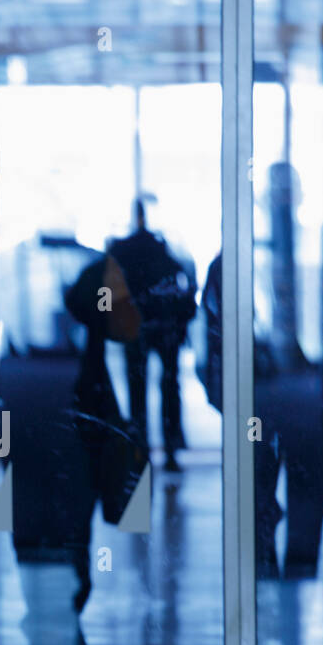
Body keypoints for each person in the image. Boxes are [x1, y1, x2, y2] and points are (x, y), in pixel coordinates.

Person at [0, 233, 158, 645]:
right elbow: (125, 329)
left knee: (40, 526)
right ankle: (60, 610)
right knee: (64, 526)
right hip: (66, 430)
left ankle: (52, 612)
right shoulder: (90, 299)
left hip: (41, 426)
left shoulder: (60, 305)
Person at [197, 163, 323, 579]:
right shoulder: (317, 260)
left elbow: (211, 339)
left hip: (277, 400)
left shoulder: (240, 260)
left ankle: (282, 576)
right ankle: (286, 574)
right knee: (281, 502)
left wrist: (222, 393)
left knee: (272, 503)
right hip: (292, 400)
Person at [111, 201, 199, 470]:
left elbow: (112, 290)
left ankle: (141, 449)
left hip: (136, 326)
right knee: (169, 386)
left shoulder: (122, 250)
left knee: (138, 389)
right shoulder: (162, 249)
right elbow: (183, 282)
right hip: (165, 325)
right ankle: (171, 448)